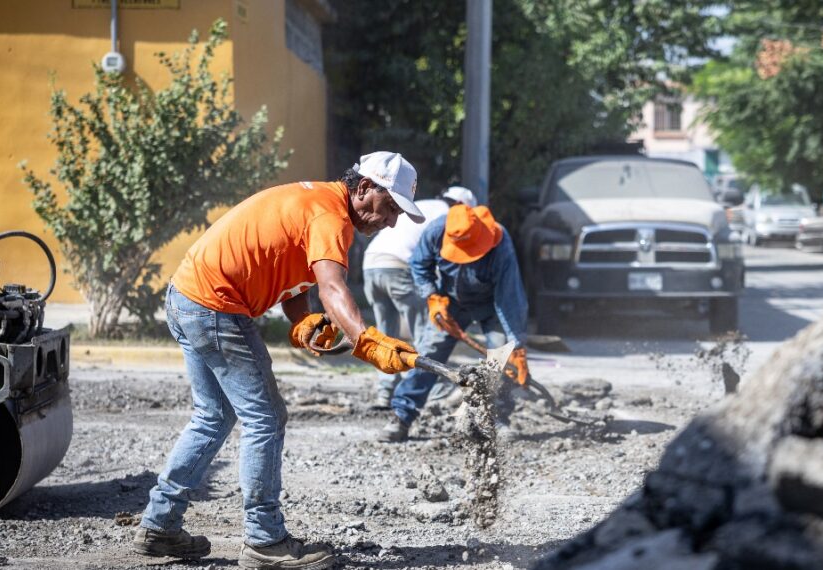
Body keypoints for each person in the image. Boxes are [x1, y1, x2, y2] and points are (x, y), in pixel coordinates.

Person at [132, 152, 422, 569]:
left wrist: (302, 318)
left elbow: (291, 271)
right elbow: (332, 286)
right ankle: (264, 541)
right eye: (390, 207)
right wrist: (367, 340)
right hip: (216, 305)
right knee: (265, 418)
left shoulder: (319, 203)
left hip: (188, 296)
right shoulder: (331, 217)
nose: (391, 221)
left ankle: (159, 525)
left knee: (213, 416)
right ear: (363, 189)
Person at [379, 204, 530, 442]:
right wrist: (433, 298)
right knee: (429, 353)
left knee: (501, 357)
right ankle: (401, 414)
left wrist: (517, 345)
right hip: (451, 302)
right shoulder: (436, 231)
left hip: (491, 304)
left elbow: (509, 296)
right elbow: (420, 265)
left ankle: (497, 419)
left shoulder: (500, 243)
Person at [361, 186, 477, 408]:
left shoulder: (425, 205)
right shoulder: (448, 217)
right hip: (399, 267)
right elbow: (437, 260)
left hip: (371, 265)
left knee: (386, 334)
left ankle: (385, 391)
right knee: (425, 331)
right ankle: (437, 391)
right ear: (462, 206)